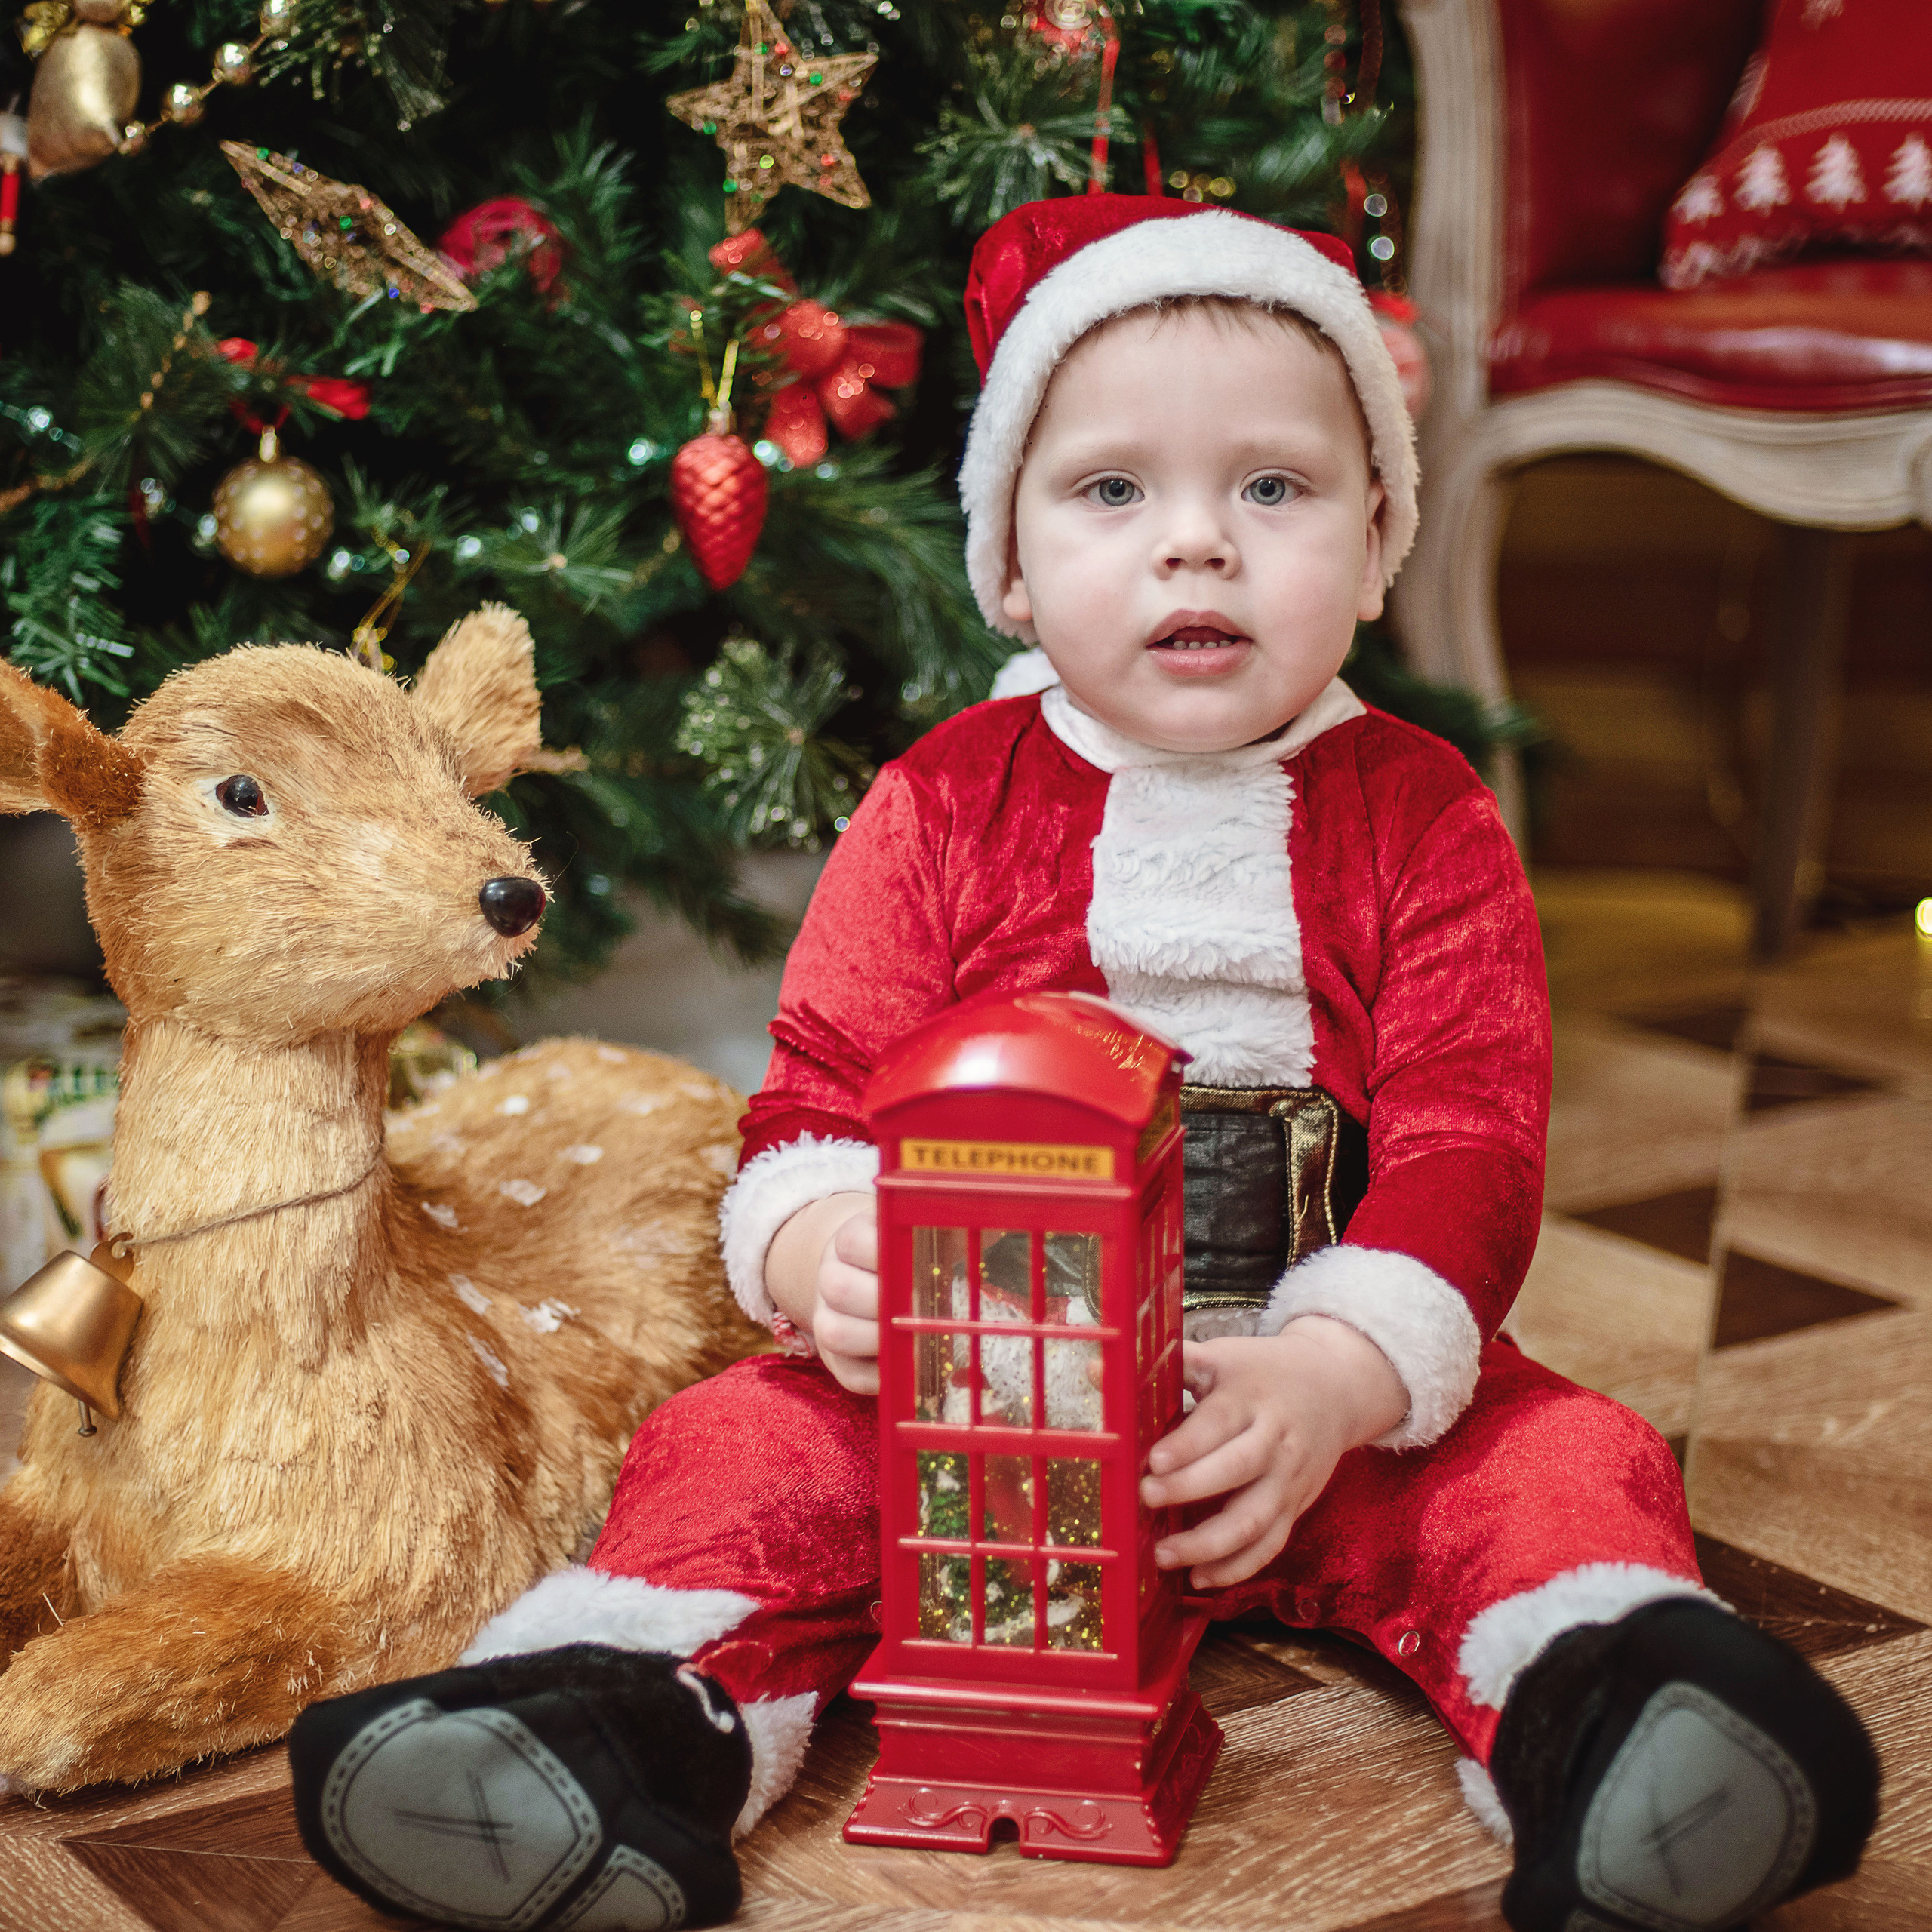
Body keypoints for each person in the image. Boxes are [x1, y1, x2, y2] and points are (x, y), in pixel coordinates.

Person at [288, 195, 1877, 1932]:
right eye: (1113, 491)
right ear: (1014, 564)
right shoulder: (942, 801)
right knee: (733, 1450)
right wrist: (832, 1256)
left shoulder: (1419, 814)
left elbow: (1467, 1141)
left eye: (1270, 489)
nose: (1194, 546)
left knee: (1566, 1461)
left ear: (1370, 546)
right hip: (974, 1390)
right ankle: (602, 1727)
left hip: (1314, 1389)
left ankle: (1617, 1718)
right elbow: (815, 1089)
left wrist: (1345, 1371)